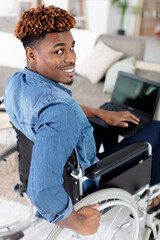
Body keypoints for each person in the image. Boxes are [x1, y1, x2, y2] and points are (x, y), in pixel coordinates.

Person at [4, 4, 160, 235]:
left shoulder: (17, 82)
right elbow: (43, 191)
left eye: (71, 48)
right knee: (156, 129)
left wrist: (100, 113)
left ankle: (110, 123)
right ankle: (153, 199)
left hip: (54, 157)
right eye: (59, 51)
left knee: (114, 121)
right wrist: (79, 223)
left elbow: (49, 108)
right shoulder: (59, 112)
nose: (71, 58)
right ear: (32, 54)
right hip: (87, 181)